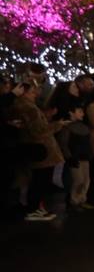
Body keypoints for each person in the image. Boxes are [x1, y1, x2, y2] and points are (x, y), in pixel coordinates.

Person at [11, 80, 63, 220]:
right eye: (32, 92)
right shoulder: (29, 108)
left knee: (40, 180)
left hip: (39, 147)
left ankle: (36, 207)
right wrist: (58, 125)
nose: (36, 94)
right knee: (40, 180)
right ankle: (33, 208)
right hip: (41, 147)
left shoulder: (27, 106)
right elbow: (38, 130)